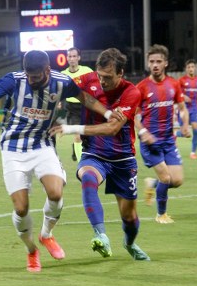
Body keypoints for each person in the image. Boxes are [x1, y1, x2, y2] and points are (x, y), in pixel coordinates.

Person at [0, 50, 115, 272]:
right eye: (29, 75)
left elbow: (86, 98)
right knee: (21, 208)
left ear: (47, 70)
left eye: (35, 76)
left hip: (42, 144)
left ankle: (46, 235)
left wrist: (108, 115)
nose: (31, 80)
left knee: (56, 193)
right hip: (13, 149)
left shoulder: (61, 82)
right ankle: (31, 250)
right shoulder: (13, 80)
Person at [49, 48, 150, 261]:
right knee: (88, 178)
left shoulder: (131, 92)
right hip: (94, 154)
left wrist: (72, 128)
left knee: (129, 217)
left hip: (123, 159)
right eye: (100, 75)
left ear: (120, 73)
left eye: (108, 77)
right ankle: (101, 235)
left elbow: (112, 128)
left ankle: (129, 243)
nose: (102, 81)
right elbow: (60, 84)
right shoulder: (88, 80)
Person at [135, 44, 190, 224]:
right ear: (148, 63)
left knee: (177, 180)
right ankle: (161, 214)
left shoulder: (174, 84)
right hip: (150, 143)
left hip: (168, 141)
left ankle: (152, 184)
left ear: (165, 63)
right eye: (152, 61)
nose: (155, 65)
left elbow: (182, 108)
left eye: (158, 61)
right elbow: (134, 116)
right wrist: (143, 132)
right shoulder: (141, 87)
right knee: (166, 177)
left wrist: (185, 125)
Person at [61, 47, 93, 162]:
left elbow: (95, 86)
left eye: (74, 56)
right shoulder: (63, 74)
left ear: (79, 58)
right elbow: (59, 91)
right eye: (70, 56)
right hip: (72, 108)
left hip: (86, 107)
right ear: (67, 58)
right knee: (78, 135)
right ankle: (81, 164)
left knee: (89, 136)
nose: (72, 59)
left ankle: (77, 149)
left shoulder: (87, 71)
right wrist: (58, 102)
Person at [176, 59, 197, 159]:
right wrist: (183, 96)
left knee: (196, 129)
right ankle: (174, 134)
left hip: (194, 107)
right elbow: (177, 92)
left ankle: (193, 152)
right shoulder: (181, 80)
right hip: (183, 107)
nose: (191, 69)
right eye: (189, 67)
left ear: (195, 68)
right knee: (186, 134)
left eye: (192, 67)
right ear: (186, 69)